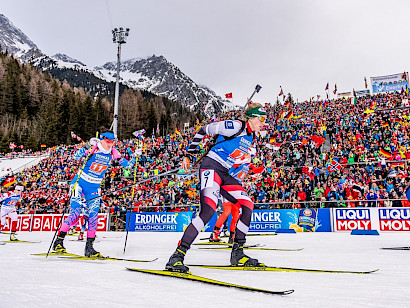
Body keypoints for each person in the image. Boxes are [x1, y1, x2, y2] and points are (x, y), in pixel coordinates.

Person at [166, 103, 267, 273]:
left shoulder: (252, 137)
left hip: (225, 172)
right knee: (208, 211)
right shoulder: (236, 126)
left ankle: (238, 253)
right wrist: (189, 155)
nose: (264, 123)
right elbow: (203, 130)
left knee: (247, 204)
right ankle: (177, 256)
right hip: (211, 167)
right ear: (251, 118)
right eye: (261, 119)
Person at [53, 129, 136, 257]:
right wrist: (84, 148)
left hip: (93, 187)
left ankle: (89, 248)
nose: (110, 144)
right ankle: (58, 242)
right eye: (108, 141)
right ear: (102, 139)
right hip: (79, 183)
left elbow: (128, 166)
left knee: (93, 216)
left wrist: (135, 156)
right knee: (75, 212)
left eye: (112, 141)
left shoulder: (114, 152)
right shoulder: (94, 148)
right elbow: (75, 157)